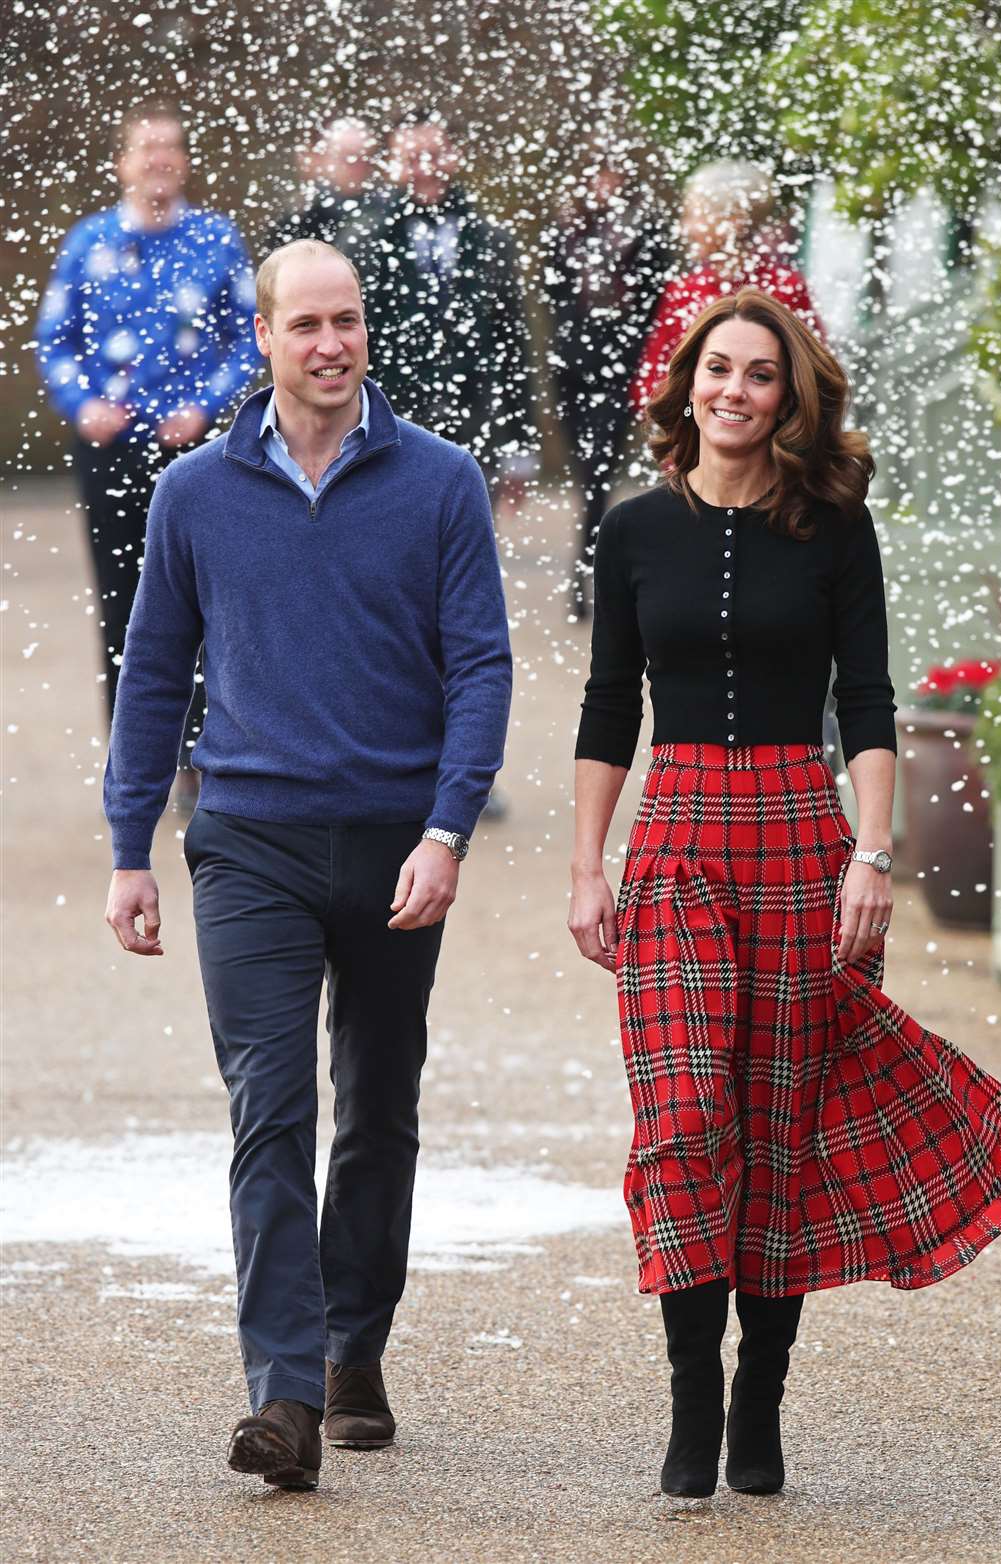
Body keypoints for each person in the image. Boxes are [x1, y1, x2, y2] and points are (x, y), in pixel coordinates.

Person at [568, 288, 1001, 1501]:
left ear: (790, 396)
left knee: (780, 1127)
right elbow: (608, 706)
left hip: (799, 833)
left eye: (760, 374)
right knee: (684, 1120)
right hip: (674, 829)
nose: (734, 389)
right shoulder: (630, 530)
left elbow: (871, 702)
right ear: (686, 385)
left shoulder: (834, 526)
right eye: (717, 368)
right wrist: (589, 865)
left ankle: (759, 1393)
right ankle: (688, 1390)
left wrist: (872, 856)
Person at [103, 239, 512, 1489]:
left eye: (348, 322)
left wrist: (448, 829)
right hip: (250, 843)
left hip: (398, 844)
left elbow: (482, 667)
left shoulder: (440, 481)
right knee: (268, 1109)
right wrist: (131, 847)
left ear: (365, 332)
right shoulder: (193, 494)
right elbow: (155, 675)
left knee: (378, 1105)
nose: (329, 345)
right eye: (305, 325)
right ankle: (281, 1391)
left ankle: (353, 1346)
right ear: (264, 337)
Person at [35, 101, 257, 810]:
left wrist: (208, 405)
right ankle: (137, 764)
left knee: (201, 601)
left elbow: (249, 338)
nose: (158, 159)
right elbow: (54, 338)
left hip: (193, 455)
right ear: (122, 162)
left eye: (169, 147)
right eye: (145, 148)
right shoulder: (88, 242)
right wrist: (81, 404)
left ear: (185, 161)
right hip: (110, 450)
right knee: (121, 603)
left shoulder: (216, 241)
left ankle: (200, 756)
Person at [362, 116, 537, 505]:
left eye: (435, 155)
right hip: (393, 428)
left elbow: (512, 344)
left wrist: (522, 445)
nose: (424, 170)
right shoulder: (365, 241)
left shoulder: (492, 241)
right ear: (391, 164)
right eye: (411, 159)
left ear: (455, 157)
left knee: (469, 548)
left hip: (475, 424)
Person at [543, 155, 671, 617]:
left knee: (598, 471)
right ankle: (587, 567)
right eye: (598, 175)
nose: (605, 185)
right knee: (586, 474)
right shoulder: (567, 230)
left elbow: (654, 300)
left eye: (614, 175)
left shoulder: (646, 233)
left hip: (620, 370)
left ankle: (588, 570)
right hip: (574, 368)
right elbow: (553, 296)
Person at [631, 161, 823, 415]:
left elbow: (814, 382)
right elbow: (648, 388)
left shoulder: (786, 291)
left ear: (733, 222)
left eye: (694, 215)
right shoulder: (683, 291)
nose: (684, 229)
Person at [268, 116, 389, 276]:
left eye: (367, 157)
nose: (360, 166)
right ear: (322, 158)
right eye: (349, 157)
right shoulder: (300, 219)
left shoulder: (387, 212)